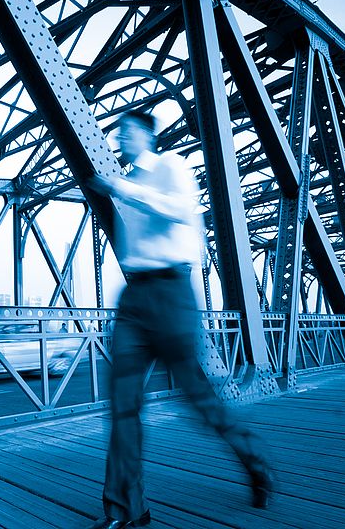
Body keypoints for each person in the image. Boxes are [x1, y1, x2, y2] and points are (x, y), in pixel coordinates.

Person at [86, 111, 275, 529]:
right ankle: (126, 511)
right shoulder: (129, 180)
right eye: (118, 132)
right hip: (134, 295)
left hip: (172, 292)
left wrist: (119, 188)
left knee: (198, 399)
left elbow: (179, 213)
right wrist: (122, 188)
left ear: (148, 135)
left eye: (129, 130)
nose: (120, 137)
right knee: (123, 405)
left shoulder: (171, 166)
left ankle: (254, 461)